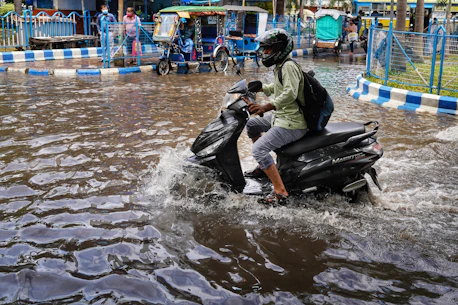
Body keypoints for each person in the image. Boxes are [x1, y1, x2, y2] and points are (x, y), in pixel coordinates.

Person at [243, 29, 307, 204]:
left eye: (268, 49)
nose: (265, 53)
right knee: (252, 125)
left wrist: (265, 106)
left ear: (279, 48)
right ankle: (264, 167)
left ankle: (280, 191)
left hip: (292, 123)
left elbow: (289, 94)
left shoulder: (289, 66)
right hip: (281, 117)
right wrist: (261, 87)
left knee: (258, 150)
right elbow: (277, 88)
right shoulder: (281, 66)